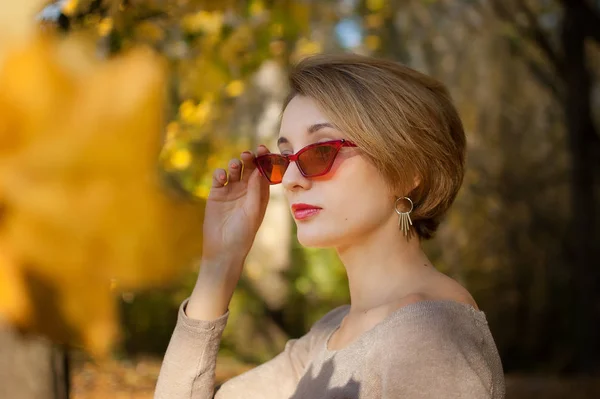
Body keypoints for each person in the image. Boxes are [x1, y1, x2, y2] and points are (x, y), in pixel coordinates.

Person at [154, 53, 505, 399]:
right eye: (284, 159)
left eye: (321, 151)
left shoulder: (429, 337)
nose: (291, 180)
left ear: (409, 170)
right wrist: (221, 261)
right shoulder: (331, 334)